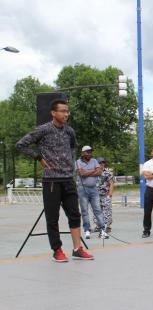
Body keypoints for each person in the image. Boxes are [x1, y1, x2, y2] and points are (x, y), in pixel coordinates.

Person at [16, 98, 94, 262]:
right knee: (52, 218)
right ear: (53, 113)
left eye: (67, 111)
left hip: (68, 179)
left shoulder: (70, 131)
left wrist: (69, 166)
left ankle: (77, 249)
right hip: (51, 180)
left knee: (74, 215)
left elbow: (73, 148)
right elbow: (21, 144)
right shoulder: (43, 130)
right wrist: (38, 157)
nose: (66, 114)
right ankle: (57, 250)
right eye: (63, 111)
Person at [76, 146, 108, 240]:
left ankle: (102, 230)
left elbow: (99, 172)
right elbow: (81, 174)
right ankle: (87, 230)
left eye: (90, 152)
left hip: (94, 189)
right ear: (82, 153)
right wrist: (93, 170)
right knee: (84, 211)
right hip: (82, 190)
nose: (90, 154)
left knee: (97, 210)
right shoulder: (78, 162)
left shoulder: (94, 161)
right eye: (87, 152)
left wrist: (87, 172)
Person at [96, 157, 114, 232]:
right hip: (96, 195)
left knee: (107, 211)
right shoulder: (93, 172)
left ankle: (108, 226)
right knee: (97, 211)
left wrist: (109, 194)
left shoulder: (107, 173)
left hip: (105, 194)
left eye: (103, 163)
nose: (101, 164)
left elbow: (111, 184)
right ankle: (98, 226)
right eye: (100, 163)